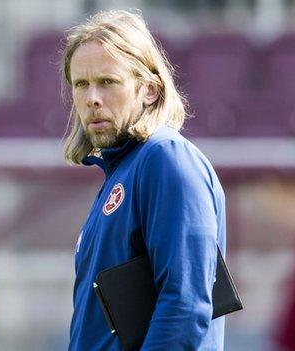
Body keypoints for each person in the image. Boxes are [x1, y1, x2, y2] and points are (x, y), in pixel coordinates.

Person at [63, 10, 226, 350]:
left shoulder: (165, 158)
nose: (92, 97)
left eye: (107, 82)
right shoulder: (121, 170)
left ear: (149, 90)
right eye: (81, 84)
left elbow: (185, 305)